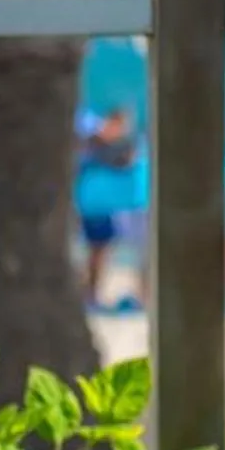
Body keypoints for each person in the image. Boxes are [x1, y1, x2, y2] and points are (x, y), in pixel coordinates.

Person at [79, 105, 140, 302]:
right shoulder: (91, 141)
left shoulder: (123, 145)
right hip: (87, 202)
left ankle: (91, 292)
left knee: (100, 249)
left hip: (103, 206)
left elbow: (129, 169)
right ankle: (87, 291)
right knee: (94, 250)